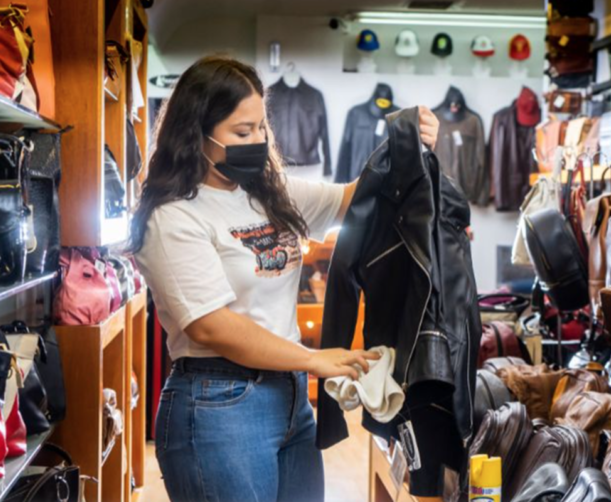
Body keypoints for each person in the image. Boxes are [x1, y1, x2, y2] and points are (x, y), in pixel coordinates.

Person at [129, 55, 440, 502]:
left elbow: (355, 199)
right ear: (196, 133)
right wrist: (312, 359)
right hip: (218, 404)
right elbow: (211, 325)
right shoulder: (173, 216)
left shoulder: (268, 194)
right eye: (242, 132)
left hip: (290, 400)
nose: (257, 140)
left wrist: (407, 143)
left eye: (261, 129)